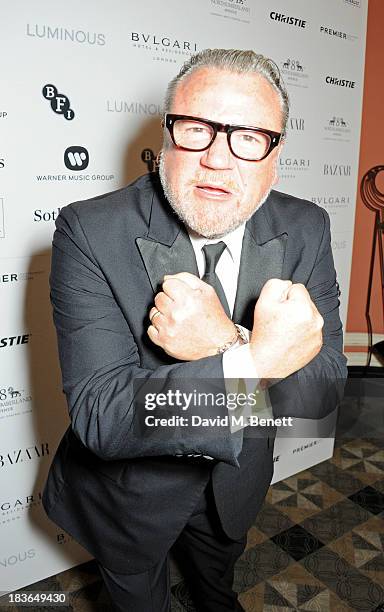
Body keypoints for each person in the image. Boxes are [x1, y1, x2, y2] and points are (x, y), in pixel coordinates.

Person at [42, 49, 347, 611]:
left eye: (250, 137)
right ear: (166, 137)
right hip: (127, 498)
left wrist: (223, 342)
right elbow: (102, 414)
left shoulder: (306, 226)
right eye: (197, 129)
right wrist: (250, 362)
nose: (217, 159)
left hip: (235, 482)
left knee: (218, 589)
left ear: (275, 157)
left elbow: (322, 392)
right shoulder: (89, 229)